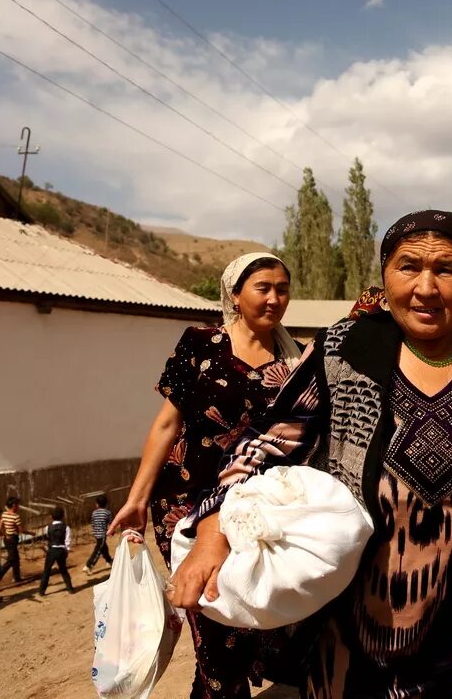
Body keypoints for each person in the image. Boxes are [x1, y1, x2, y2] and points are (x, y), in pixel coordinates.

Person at [172, 210, 452, 698]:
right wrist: (213, 531)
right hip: (354, 639)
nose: (426, 287)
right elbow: (263, 443)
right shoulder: (345, 353)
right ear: (385, 277)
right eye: (409, 267)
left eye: (446, 270)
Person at [109, 252, 301, 698]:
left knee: (244, 618)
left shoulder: (294, 361)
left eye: (283, 288)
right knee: (214, 623)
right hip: (185, 502)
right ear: (235, 295)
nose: (274, 298)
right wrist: (137, 499)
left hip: (253, 505)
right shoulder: (200, 343)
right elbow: (166, 424)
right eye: (263, 288)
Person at [38, 507, 74, 596]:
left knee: (47, 571)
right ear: (62, 516)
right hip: (61, 550)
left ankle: (41, 591)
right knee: (63, 569)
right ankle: (70, 589)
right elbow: (67, 541)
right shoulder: (66, 527)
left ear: (51, 516)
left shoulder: (47, 527)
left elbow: (48, 537)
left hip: (52, 550)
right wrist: (67, 551)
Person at [84, 495, 114, 575]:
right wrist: (112, 531)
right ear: (106, 504)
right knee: (98, 550)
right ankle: (89, 565)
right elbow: (111, 524)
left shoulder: (94, 513)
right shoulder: (107, 512)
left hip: (96, 533)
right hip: (102, 534)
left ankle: (109, 561)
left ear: (97, 504)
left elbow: (93, 523)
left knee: (103, 547)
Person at [0, 497, 23, 584]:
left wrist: (5, 534)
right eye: (17, 505)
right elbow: (21, 530)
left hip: (7, 539)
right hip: (13, 538)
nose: (18, 507)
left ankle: (17, 577)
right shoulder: (16, 517)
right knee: (12, 559)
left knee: (16, 558)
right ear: (14, 505)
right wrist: (31, 533)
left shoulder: (4, 514)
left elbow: (0, 527)